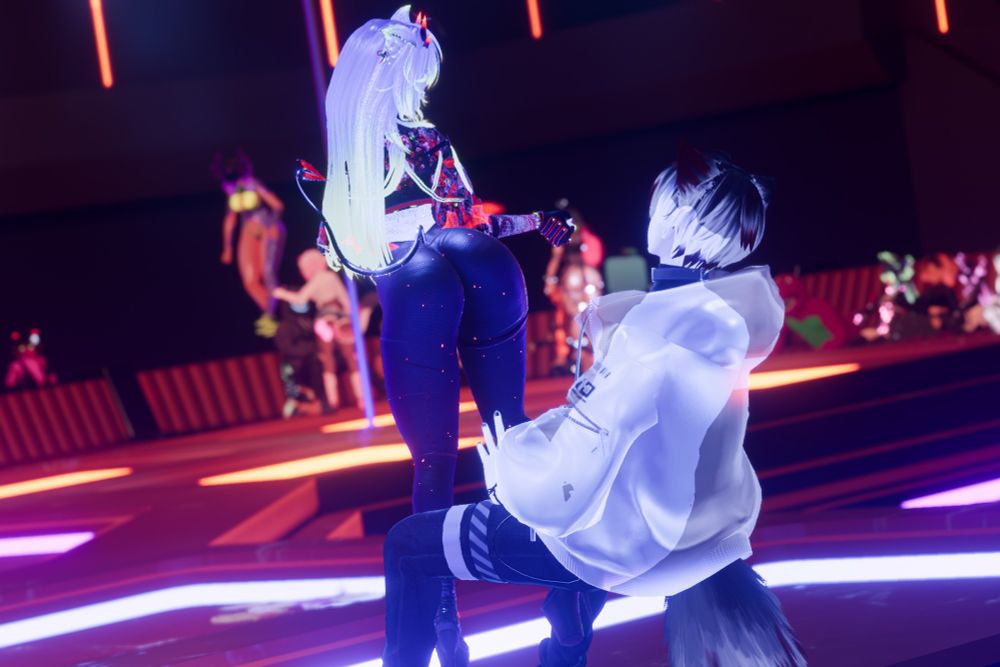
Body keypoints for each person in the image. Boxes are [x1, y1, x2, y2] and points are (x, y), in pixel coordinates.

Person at [381, 146, 805, 667]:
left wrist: (507, 474)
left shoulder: (648, 335)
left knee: (408, 546)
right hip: (709, 530)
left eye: (660, 203)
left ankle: (569, 616)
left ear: (678, 220)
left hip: (635, 543)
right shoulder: (724, 315)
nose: (651, 211)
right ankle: (569, 630)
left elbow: (573, 479)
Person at [300, 8, 574, 665]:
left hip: (417, 283)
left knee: (433, 465)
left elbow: (346, 255)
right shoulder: (430, 142)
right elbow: (471, 226)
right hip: (483, 266)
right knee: (511, 435)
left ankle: (446, 628)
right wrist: (536, 221)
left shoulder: (351, 160)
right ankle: (568, 598)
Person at [273, 249, 362, 411]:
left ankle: (333, 401)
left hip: (325, 320)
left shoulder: (318, 280)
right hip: (339, 318)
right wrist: (350, 317)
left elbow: (300, 299)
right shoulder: (329, 277)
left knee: (328, 360)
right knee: (351, 357)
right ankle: (360, 397)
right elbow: (345, 300)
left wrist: (281, 293)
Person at [213, 151, 286, 337]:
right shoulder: (229, 188)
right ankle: (272, 315)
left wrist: (270, 226)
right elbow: (230, 219)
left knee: (267, 272)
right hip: (248, 229)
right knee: (250, 281)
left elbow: (277, 205)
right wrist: (227, 247)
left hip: (267, 226)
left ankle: (271, 315)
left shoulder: (252, 184)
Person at [543, 201, 606, 373]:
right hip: (591, 275)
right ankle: (598, 357)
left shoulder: (561, 234)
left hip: (572, 277)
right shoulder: (586, 234)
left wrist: (549, 279)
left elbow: (556, 258)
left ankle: (579, 360)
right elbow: (596, 257)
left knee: (576, 318)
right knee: (593, 317)